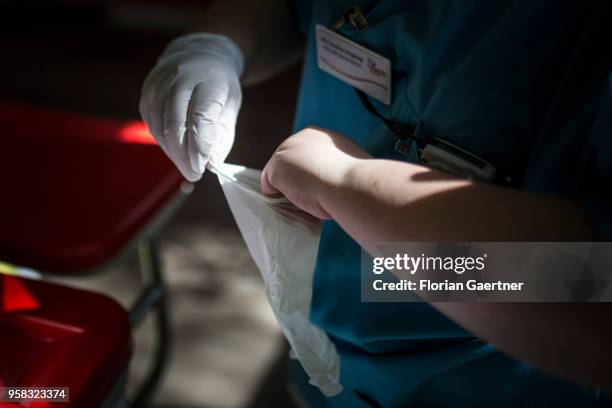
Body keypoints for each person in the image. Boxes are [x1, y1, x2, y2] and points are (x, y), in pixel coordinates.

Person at [139, 0, 612, 406]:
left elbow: (587, 289)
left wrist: (352, 184)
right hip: (329, 330)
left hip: (486, 378)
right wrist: (220, 45)